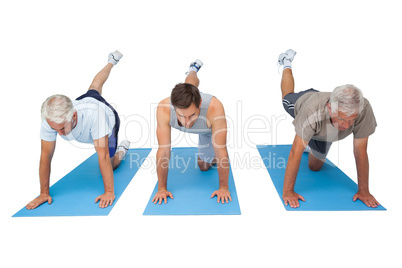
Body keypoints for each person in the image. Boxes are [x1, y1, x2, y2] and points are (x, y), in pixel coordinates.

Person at [26, 51, 130, 210]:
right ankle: (111, 61)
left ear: (73, 115)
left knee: (110, 163)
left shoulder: (96, 117)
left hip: (108, 118)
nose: (59, 134)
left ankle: (122, 150)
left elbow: (101, 155)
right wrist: (43, 193)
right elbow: (46, 155)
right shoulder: (50, 118)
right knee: (95, 86)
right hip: (86, 103)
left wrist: (109, 191)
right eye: (55, 129)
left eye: (62, 129)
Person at [278, 49, 380, 208]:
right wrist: (288, 191)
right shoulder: (312, 111)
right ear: (330, 109)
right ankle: (286, 63)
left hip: (323, 128)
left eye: (351, 120)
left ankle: (311, 139)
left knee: (315, 167)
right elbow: (295, 151)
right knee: (286, 97)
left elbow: (360, 151)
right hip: (303, 103)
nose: (346, 126)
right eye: (342, 119)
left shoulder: (363, 108)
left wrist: (364, 191)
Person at [152, 60, 231, 204]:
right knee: (188, 87)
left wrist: (224, 188)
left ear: (199, 104)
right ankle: (192, 70)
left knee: (203, 166)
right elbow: (163, 151)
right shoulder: (164, 108)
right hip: (189, 105)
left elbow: (221, 151)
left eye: (192, 115)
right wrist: (161, 188)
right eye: (182, 116)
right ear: (174, 107)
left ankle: (192, 72)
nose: (187, 123)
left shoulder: (214, 107)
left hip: (206, 129)